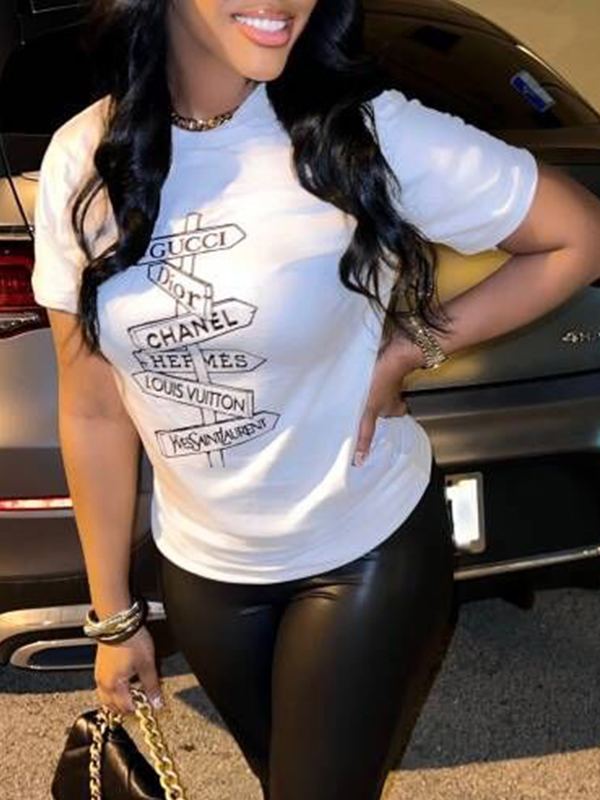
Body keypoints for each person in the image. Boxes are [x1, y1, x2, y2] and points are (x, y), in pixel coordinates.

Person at [31, 1, 600, 798]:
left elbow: (577, 236)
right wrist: (115, 619)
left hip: (360, 543)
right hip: (203, 567)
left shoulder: (359, 130)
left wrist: (409, 347)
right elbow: (92, 407)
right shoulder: (82, 158)